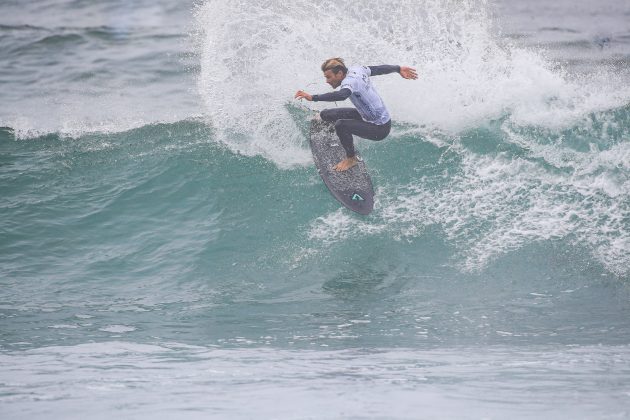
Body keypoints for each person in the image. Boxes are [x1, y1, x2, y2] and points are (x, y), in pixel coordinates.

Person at [295, 58, 418, 171]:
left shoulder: (350, 81)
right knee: (325, 115)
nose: (327, 81)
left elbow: (342, 95)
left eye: (329, 77)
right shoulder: (357, 69)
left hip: (379, 128)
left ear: (339, 74)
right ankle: (337, 133)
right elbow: (377, 69)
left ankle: (351, 159)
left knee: (341, 125)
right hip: (365, 115)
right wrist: (398, 68)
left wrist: (313, 97)